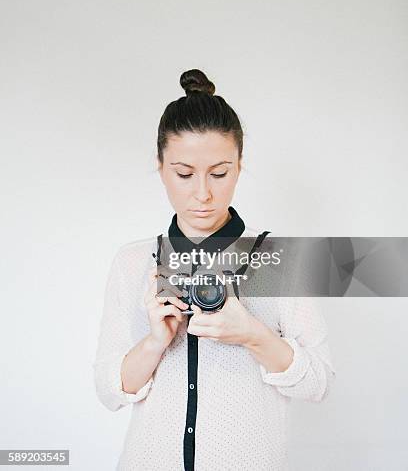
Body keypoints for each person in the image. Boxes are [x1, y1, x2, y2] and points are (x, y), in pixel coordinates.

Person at [93, 69, 336, 471]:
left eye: (219, 173)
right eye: (184, 174)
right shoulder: (134, 261)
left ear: (240, 165)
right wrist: (155, 342)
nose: (203, 193)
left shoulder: (276, 259)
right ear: (161, 167)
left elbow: (319, 384)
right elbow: (109, 391)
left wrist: (252, 335)